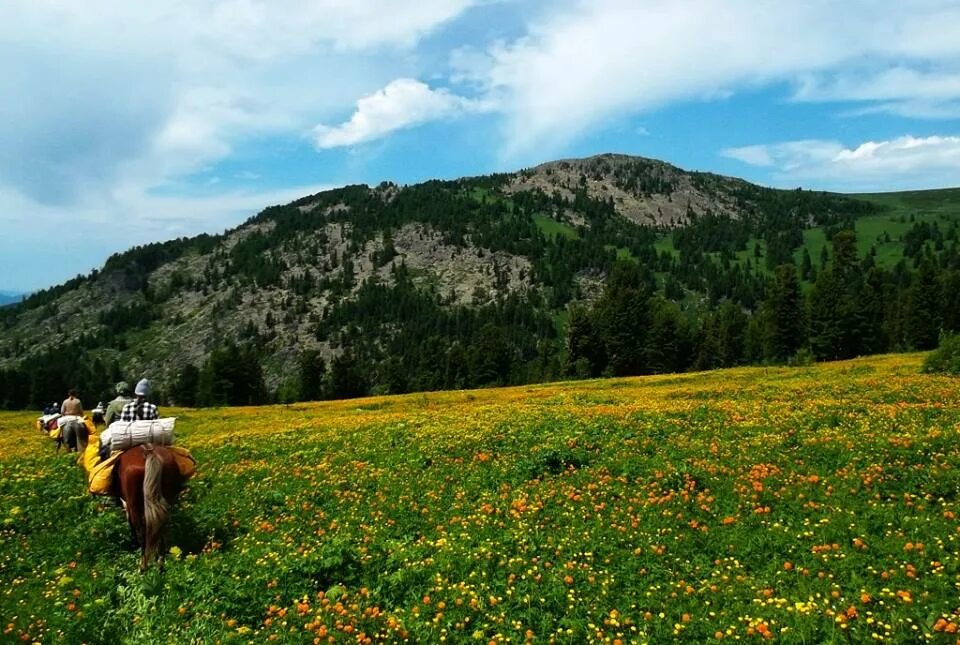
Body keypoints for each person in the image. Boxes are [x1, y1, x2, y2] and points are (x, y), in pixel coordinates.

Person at [99, 378, 159, 460]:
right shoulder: (153, 408)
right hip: (149, 439)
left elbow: (121, 426)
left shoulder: (126, 407)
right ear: (148, 394)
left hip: (130, 439)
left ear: (136, 392)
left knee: (103, 449)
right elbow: (157, 427)